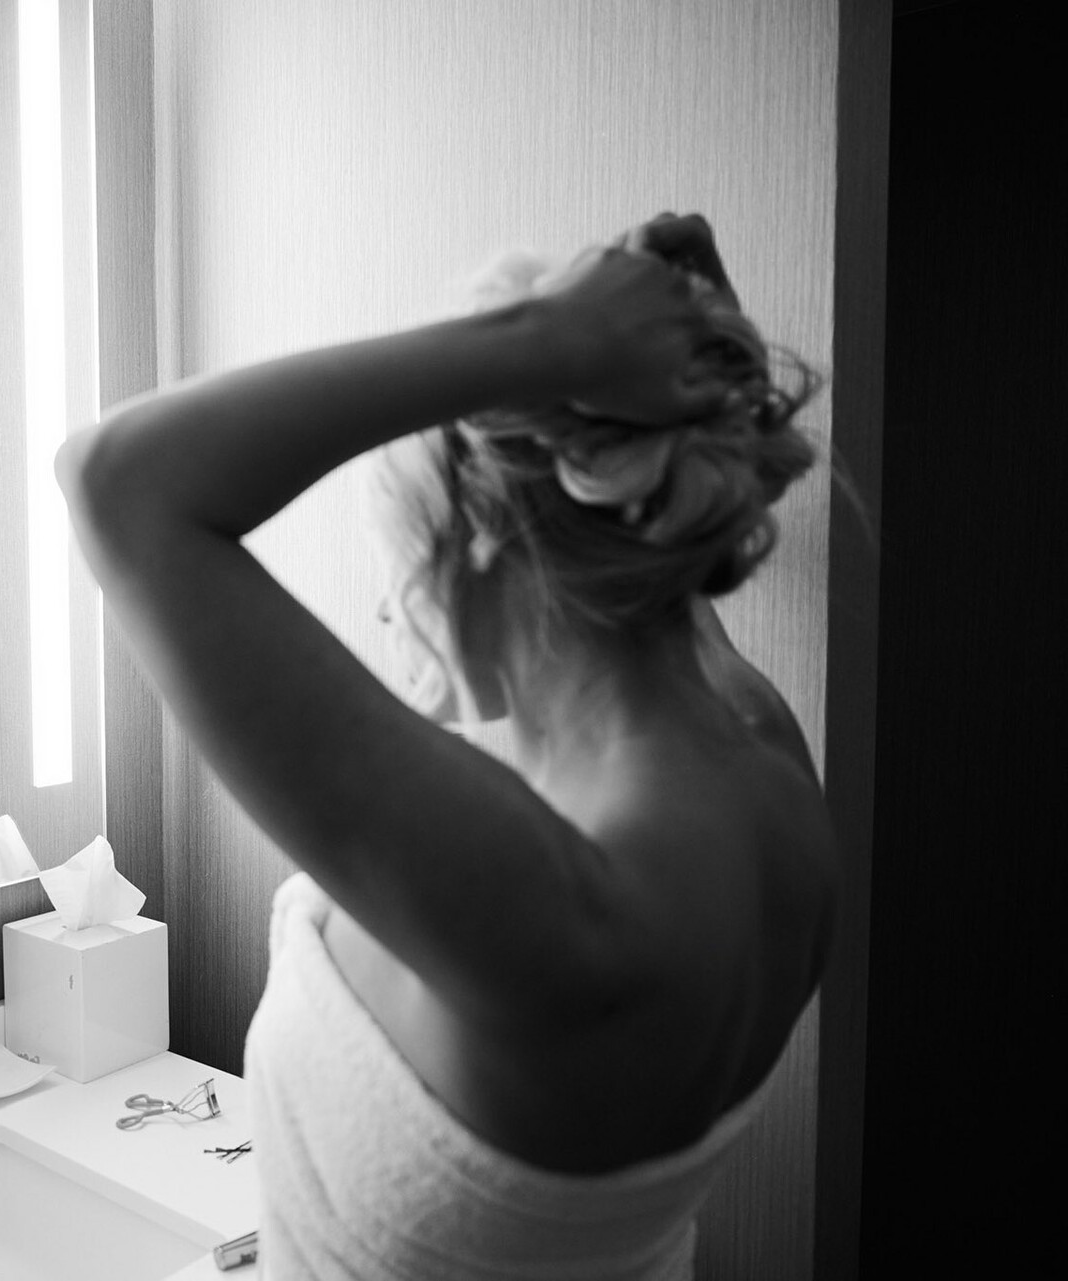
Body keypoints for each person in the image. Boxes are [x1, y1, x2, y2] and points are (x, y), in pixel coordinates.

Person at [57, 214, 835, 1278]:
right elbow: (667, 584)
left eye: (398, 544)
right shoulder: (767, 765)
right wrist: (666, 369)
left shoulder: (554, 908)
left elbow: (118, 480)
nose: (390, 605)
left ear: (480, 538)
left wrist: (547, 341)